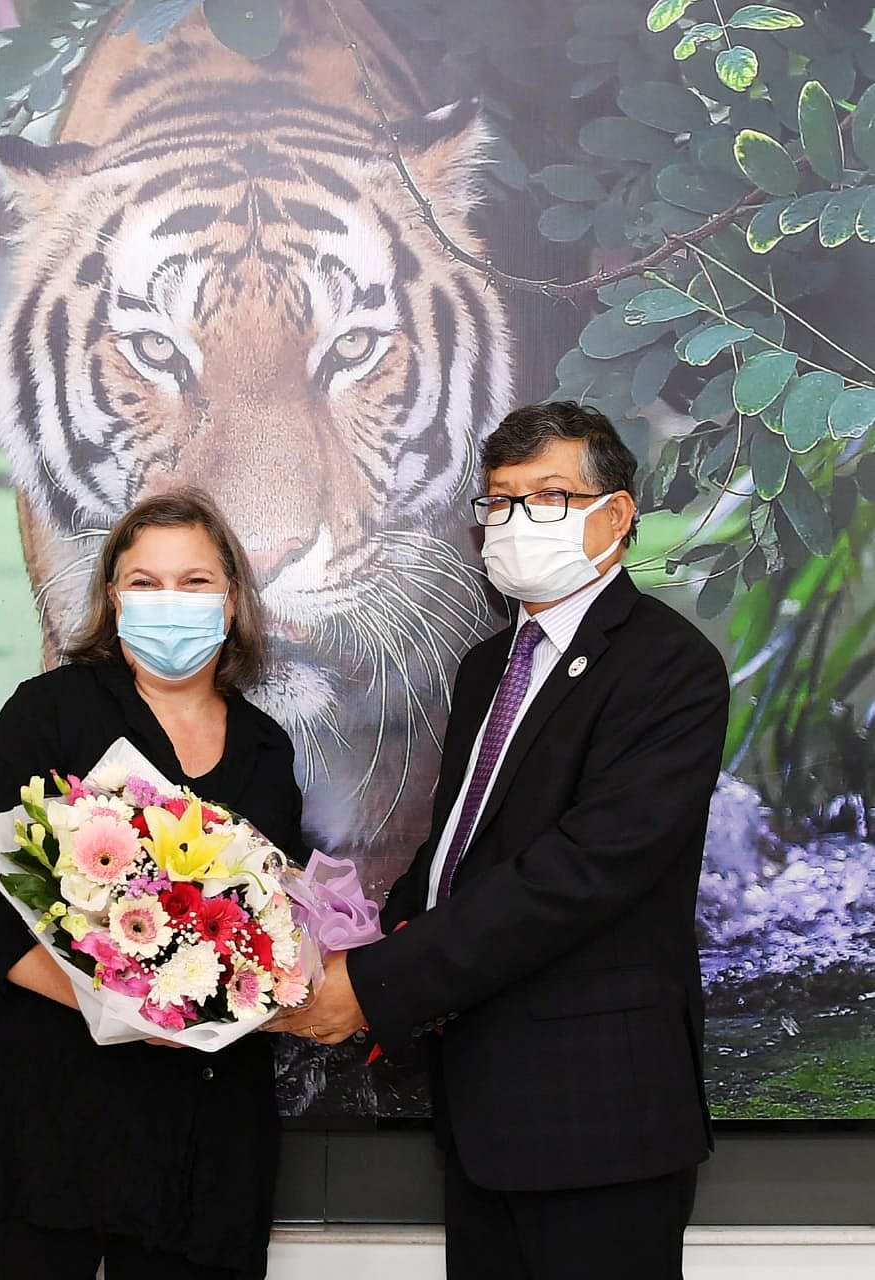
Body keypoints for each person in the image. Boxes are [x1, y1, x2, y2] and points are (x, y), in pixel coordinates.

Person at [274, 402, 730, 1279]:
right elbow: (460, 852)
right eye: (501, 501)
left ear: (619, 515)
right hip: (483, 1112)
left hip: (601, 1117)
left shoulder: (669, 668)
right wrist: (343, 939)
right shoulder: (489, 666)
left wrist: (374, 986)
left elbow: (581, 874)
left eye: (550, 497)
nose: (519, 522)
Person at [0, 488, 307, 1280]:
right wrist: (117, 1007)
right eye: (146, 581)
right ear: (111, 596)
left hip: (202, 1153)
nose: (170, 601)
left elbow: (268, 932)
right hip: (42, 1132)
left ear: (233, 597)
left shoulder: (267, 751)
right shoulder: (49, 713)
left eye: (196, 582)